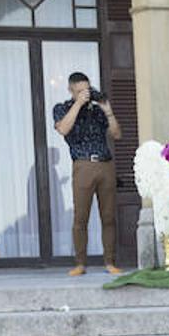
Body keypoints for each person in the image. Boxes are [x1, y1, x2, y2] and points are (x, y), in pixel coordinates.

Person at [52, 72, 123, 276]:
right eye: (80, 90)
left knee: (109, 217)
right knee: (80, 217)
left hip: (105, 164)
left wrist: (108, 111)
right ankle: (80, 263)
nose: (85, 93)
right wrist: (78, 104)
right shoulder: (62, 108)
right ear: (71, 90)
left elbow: (116, 134)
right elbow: (64, 129)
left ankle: (110, 262)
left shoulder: (98, 109)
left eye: (87, 89)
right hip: (83, 165)